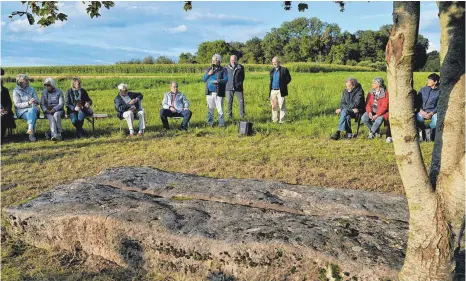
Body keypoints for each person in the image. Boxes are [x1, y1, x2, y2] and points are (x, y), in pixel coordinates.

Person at [361, 77, 392, 143]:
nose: (372, 84)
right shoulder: (371, 92)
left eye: (374, 83)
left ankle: (372, 133)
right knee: (364, 118)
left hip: (382, 113)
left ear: (378, 84)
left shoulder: (385, 93)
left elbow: (384, 107)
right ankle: (376, 131)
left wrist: (377, 115)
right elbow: (368, 103)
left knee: (379, 119)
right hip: (372, 111)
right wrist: (369, 112)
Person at [202, 53, 228, 127]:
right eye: (212, 60)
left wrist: (218, 81)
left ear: (219, 61)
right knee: (210, 109)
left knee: (220, 110)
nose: (213, 61)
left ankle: (221, 124)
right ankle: (210, 124)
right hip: (209, 93)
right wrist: (209, 74)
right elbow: (203, 79)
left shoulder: (223, 70)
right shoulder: (208, 69)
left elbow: (226, 80)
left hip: (218, 92)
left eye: (215, 60)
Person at [12, 74, 39, 142]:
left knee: (32, 110)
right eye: (26, 80)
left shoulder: (31, 89)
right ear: (20, 82)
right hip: (22, 111)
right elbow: (17, 104)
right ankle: (31, 134)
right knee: (32, 114)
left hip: (33, 109)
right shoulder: (16, 91)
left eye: (28, 80)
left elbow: (37, 101)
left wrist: (35, 101)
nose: (28, 81)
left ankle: (30, 130)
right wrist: (28, 103)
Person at [415, 73, 440, 141]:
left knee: (435, 122)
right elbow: (417, 102)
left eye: (430, 80)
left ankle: (430, 133)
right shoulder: (423, 89)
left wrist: (432, 113)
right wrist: (420, 110)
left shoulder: (440, 92)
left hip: (434, 112)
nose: (427, 81)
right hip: (422, 111)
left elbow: (440, 105)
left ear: (435, 82)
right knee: (418, 118)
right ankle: (422, 133)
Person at [269, 56, 291, 124]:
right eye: (273, 62)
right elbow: (271, 80)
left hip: (280, 90)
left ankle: (282, 121)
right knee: (274, 106)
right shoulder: (272, 70)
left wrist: (283, 84)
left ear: (279, 62)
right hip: (273, 90)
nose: (274, 63)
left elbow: (289, 78)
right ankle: (275, 120)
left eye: (275, 62)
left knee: (282, 106)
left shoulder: (284, 69)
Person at [225, 55, 245, 120]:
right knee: (229, 102)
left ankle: (242, 116)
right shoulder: (226, 67)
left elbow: (243, 77)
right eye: (232, 60)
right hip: (229, 87)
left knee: (241, 101)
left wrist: (239, 83)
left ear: (236, 60)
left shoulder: (241, 67)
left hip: (238, 88)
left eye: (234, 60)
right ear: (230, 60)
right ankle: (229, 116)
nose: (233, 61)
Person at [1, 68, 16, 141]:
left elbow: (9, 102)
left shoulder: (5, 90)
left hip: (4, 111)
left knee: (3, 117)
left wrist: (6, 110)